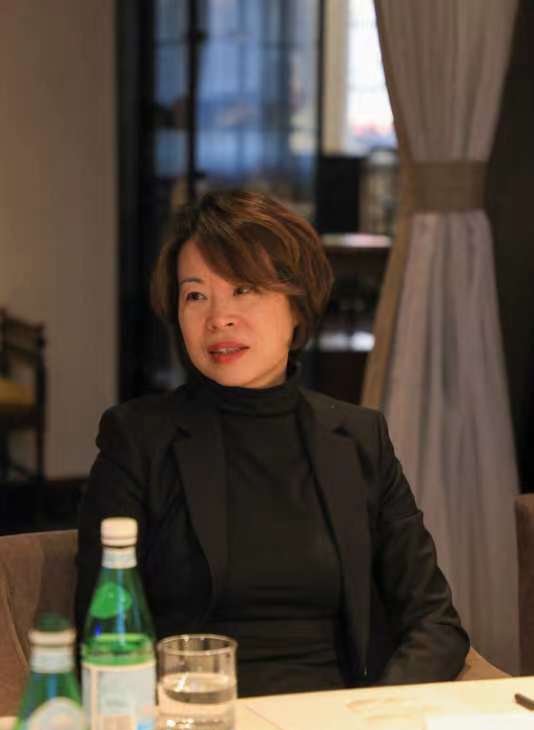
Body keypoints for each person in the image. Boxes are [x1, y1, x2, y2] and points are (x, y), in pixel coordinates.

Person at [75, 190, 469, 697]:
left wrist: (376, 711)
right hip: (196, 720)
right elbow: (102, 637)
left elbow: (435, 623)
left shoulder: (358, 438)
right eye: (195, 295)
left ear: (296, 307)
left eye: (243, 289)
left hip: (339, 722)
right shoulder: (138, 439)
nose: (218, 317)